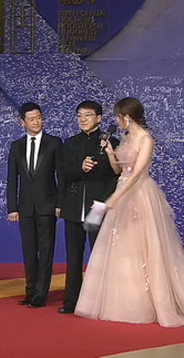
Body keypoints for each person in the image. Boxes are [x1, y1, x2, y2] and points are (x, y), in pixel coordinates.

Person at [75, 97, 184, 329]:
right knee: (123, 248)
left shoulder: (146, 139)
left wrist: (115, 197)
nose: (116, 121)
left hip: (139, 195)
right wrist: (111, 153)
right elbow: (119, 170)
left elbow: (137, 173)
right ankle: (126, 301)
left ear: (127, 117)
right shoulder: (125, 137)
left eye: (118, 116)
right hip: (122, 193)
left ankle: (155, 301)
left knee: (145, 247)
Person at [57, 100, 120, 314]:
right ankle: (71, 302)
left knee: (99, 255)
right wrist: (80, 168)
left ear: (99, 118)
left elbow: (115, 176)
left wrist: (104, 201)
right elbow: (63, 173)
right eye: (79, 115)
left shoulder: (111, 142)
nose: (83, 119)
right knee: (73, 257)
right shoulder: (70, 143)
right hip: (74, 207)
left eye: (88, 115)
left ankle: (101, 301)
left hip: (98, 207)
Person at [6, 102, 63, 308]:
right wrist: (12, 207)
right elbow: (12, 178)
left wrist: (60, 203)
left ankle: (41, 294)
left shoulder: (54, 143)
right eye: (31, 119)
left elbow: (61, 176)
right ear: (22, 122)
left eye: (38, 117)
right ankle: (30, 291)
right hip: (25, 207)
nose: (36, 122)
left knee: (46, 251)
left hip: (47, 205)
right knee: (29, 252)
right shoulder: (16, 146)